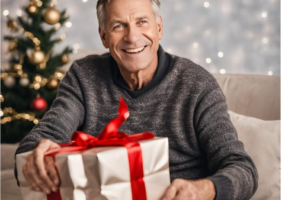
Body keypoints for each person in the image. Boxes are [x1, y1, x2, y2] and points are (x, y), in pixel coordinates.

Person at [15, 0, 258, 199]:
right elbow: (36, 143)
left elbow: (243, 170)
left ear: (159, 28)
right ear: (103, 36)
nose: (132, 37)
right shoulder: (83, 77)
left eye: (142, 22)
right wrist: (36, 156)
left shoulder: (197, 85)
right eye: (118, 26)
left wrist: (202, 190)